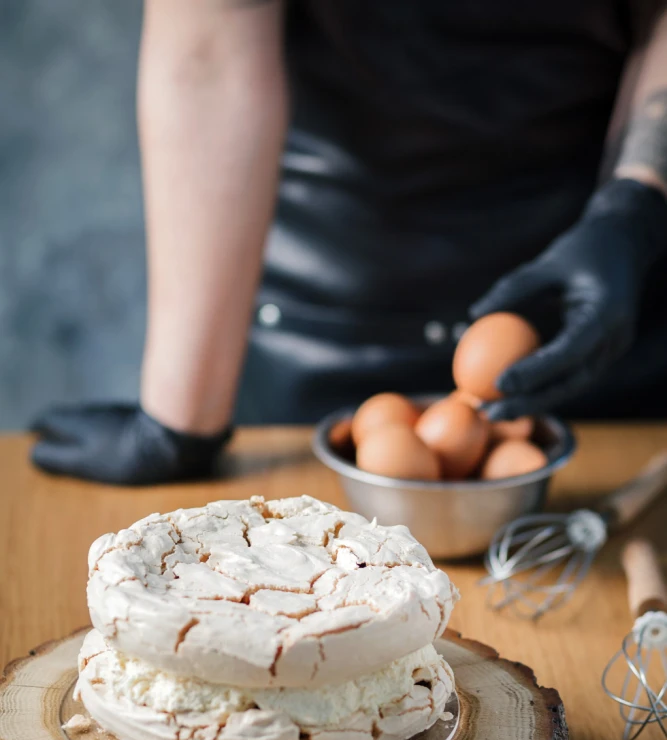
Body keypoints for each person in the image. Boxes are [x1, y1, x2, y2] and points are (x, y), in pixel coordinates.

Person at [32, 0, 667, 485]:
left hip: (595, 291)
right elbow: (211, 54)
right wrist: (181, 420)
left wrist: (635, 206)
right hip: (325, 309)